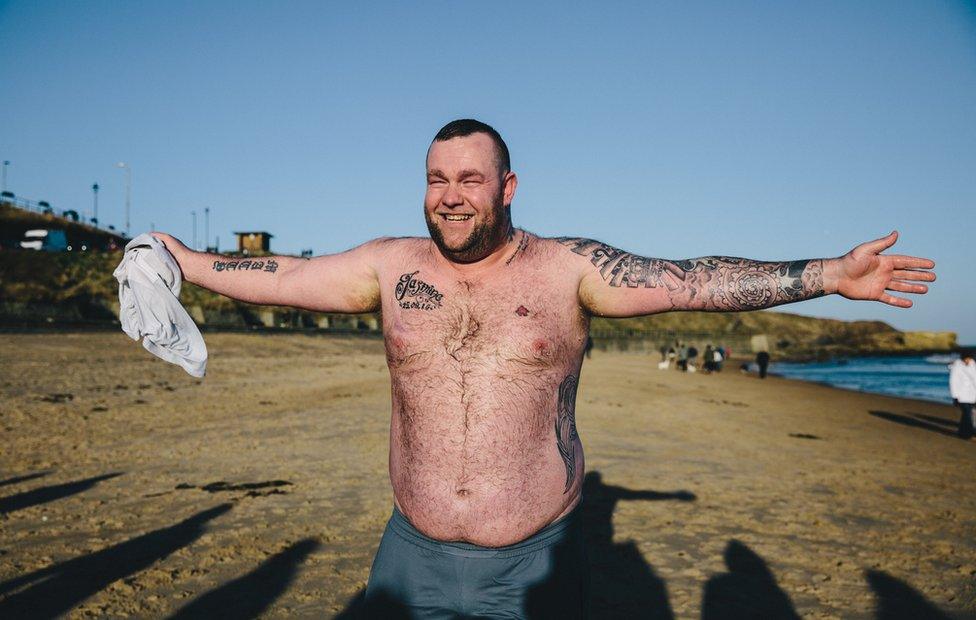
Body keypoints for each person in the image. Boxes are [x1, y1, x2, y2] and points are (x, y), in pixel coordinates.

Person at [150, 119, 936, 618]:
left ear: (508, 187)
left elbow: (691, 280)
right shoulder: (388, 267)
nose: (449, 197)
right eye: (435, 179)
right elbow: (281, 274)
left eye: (469, 179)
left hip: (534, 564)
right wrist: (182, 260)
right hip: (409, 552)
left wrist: (827, 275)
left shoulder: (569, 270)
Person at [949, 350, 976, 439]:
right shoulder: (957, 366)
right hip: (961, 395)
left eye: (969, 358)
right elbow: (953, 382)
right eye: (966, 359)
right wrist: (955, 396)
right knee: (967, 414)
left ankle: (962, 433)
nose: (967, 360)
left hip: (972, 395)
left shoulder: (973, 365)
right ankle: (970, 433)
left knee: (967, 415)